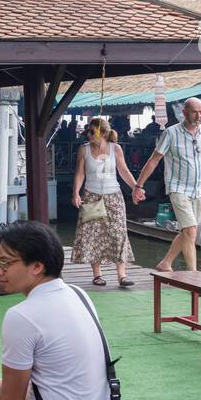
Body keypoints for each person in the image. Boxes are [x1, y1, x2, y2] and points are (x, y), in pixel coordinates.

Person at [0, 221, 115, 400]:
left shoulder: (21, 315)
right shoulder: (79, 294)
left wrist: (1, 394)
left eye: (5, 262)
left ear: (36, 266)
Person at [132, 97, 201, 272]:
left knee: (187, 231)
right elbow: (154, 159)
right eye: (195, 112)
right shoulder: (171, 133)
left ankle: (165, 263)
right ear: (184, 113)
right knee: (191, 231)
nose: (199, 115)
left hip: (199, 188)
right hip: (177, 188)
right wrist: (138, 186)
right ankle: (193, 275)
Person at [70, 117, 137, 288]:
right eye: (88, 131)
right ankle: (97, 274)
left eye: (92, 131)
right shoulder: (83, 149)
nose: (89, 134)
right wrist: (76, 193)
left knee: (119, 232)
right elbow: (80, 173)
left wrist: (136, 187)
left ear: (104, 133)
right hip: (91, 195)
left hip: (113, 194)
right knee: (93, 233)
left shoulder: (116, 148)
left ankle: (122, 275)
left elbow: (123, 171)